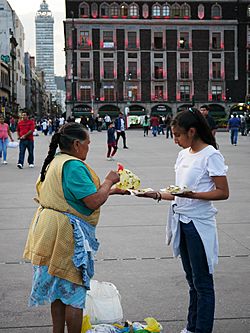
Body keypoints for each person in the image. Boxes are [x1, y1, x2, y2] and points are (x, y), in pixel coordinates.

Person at [23, 122, 128, 333]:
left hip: (48, 229)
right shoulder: (74, 165)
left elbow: (77, 194)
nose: (89, 147)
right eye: (88, 143)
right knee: (74, 292)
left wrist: (113, 191)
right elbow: (92, 200)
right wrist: (109, 181)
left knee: (59, 291)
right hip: (65, 234)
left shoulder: (57, 160)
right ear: (77, 144)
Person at [136, 108, 229, 333]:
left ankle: (201, 329)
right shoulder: (183, 154)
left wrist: (193, 195)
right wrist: (155, 194)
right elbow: (177, 191)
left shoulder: (210, 154)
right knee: (192, 282)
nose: (175, 140)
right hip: (182, 221)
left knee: (203, 284)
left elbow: (223, 192)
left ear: (192, 131)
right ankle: (191, 327)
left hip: (199, 225)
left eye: (178, 135)